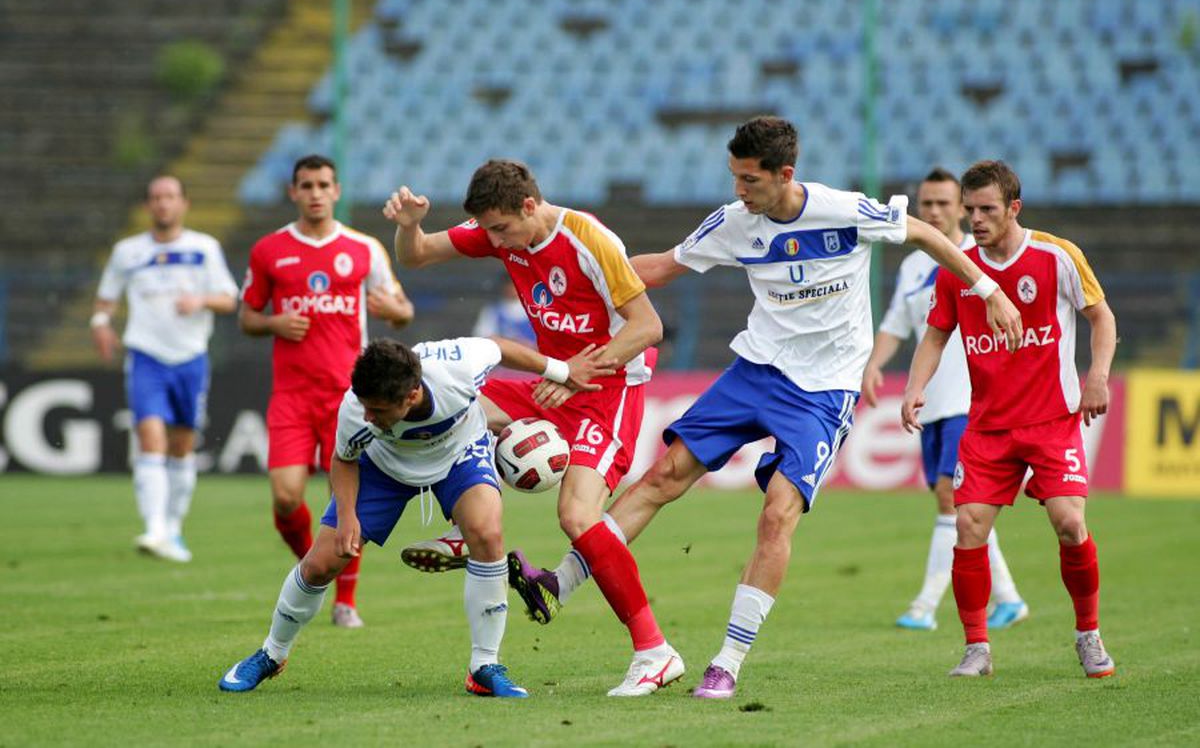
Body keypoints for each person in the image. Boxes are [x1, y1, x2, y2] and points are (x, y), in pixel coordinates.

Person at [506, 116, 1024, 699]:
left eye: (749, 179)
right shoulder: (733, 222)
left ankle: (726, 661)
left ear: (785, 175)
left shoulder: (842, 209)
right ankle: (558, 584)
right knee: (662, 478)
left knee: (778, 512)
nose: (738, 190)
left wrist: (989, 290)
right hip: (755, 370)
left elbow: (927, 236)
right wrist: (573, 258)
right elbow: (656, 269)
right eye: (734, 177)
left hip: (824, 390)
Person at [387, 159, 684, 697]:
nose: (495, 240)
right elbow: (418, 255)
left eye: (500, 229)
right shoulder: (502, 233)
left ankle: (654, 652)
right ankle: (469, 528)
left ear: (529, 206)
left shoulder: (591, 241)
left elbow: (649, 326)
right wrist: (409, 225)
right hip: (552, 379)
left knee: (576, 515)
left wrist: (577, 377)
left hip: (607, 391)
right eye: (488, 231)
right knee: (447, 401)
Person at [217, 335, 613, 696]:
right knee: (321, 564)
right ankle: (271, 653)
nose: (368, 416)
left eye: (378, 410)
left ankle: (485, 666)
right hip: (384, 468)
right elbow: (344, 460)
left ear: (410, 396)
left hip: (459, 454)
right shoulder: (357, 409)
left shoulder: (456, 369)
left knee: (487, 533)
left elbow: (497, 346)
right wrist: (349, 517)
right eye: (366, 408)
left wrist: (562, 371)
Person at [901, 160, 1117, 678]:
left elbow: (1101, 316)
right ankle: (977, 648)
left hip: (1051, 421)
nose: (975, 219)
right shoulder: (959, 268)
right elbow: (935, 333)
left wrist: (1098, 376)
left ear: (1013, 208)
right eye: (969, 209)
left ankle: (1088, 635)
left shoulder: (1057, 256)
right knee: (968, 525)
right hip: (988, 426)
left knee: (1069, 522)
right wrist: (914, 386)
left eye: (987, 210)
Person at [240, 154, 414, 628]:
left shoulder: (363, 249)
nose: (315, 193)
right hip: (292, 396)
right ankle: (315, 572)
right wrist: (274, 321)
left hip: (350, 398)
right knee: (285, 496)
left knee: (347, 502)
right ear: (292, 192)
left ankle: (346, 600)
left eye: (323, 185)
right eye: (305, 185)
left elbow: (403, 309)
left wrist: (393, 310)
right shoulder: (269, 251)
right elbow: (247, 316)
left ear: (336, 191)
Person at [862, 168, 1028, 632]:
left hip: (970, 400)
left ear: (962, 207)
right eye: (926, 204)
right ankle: (1011, 598)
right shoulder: (916, 265)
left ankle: (925, 605)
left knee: (950, 499)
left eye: (943, 203)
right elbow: (896, 324)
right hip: (931, 402)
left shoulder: (978, 260)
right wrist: (874, 365)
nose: (933, 211)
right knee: (957, 504)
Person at [91, 175, 238, 562]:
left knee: (181, 445)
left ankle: (173, 529)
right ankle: (154, 528)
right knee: (150, 435)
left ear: (183, 204)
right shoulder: (127, 252)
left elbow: (228, 299)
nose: (162, 204)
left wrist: (201, 299)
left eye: (170, 196)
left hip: (190, 358)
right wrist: (101, 325)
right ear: (147, 206)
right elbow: (105, 300)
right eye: (156, 197)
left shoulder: (204, 248)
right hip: (146, 356)